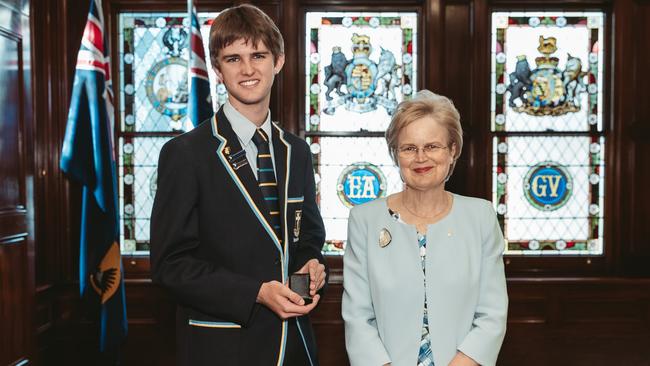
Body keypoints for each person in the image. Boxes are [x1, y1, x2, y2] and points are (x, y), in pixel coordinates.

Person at [150, 4, 327, 366]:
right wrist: (256, 293)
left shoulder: (297, 151)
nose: (248, 69)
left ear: (278, 61)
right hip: (223, 347)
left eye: (258, 55)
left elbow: (307, 236)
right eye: (233, 58)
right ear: (217, 70)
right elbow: (170, 266)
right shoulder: (186, 154)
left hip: (294, 347)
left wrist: (312, 262)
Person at [342, 90, 508, 366]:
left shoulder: (481, 217)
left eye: (432, 146)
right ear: (396, 154)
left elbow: (491, 314)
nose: (421, 158)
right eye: (409, 148)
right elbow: (358, 318)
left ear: (452, 150)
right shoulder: (365, 220)